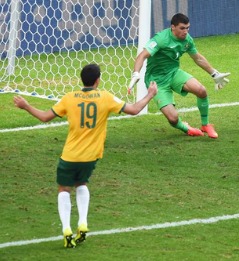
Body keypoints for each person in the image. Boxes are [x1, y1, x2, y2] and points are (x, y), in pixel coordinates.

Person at [13, 64, 158, 248]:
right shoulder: (105, 97)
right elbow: (135, 109)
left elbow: (44, 117)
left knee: (64, 189)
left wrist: (26, 106)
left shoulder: (69, 98)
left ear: (82, 79)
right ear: (98, 80)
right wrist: (150, 94)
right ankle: (83, 222)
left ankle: (66, 229)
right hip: (90, 157)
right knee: (82, 184)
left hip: (70, 156)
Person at [128, 13, 230, 139]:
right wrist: (136, 73)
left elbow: (197, 58)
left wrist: (214, 73)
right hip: (157, 81)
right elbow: (142, 56)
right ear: (173, 27)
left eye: (187, 28)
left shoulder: (187, 40)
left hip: (174, 73)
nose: (186, 31)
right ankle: (185, 127)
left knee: (201, 91)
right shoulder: (161, 39)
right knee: (173, 118)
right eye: (182, 28)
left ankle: (206, 125)